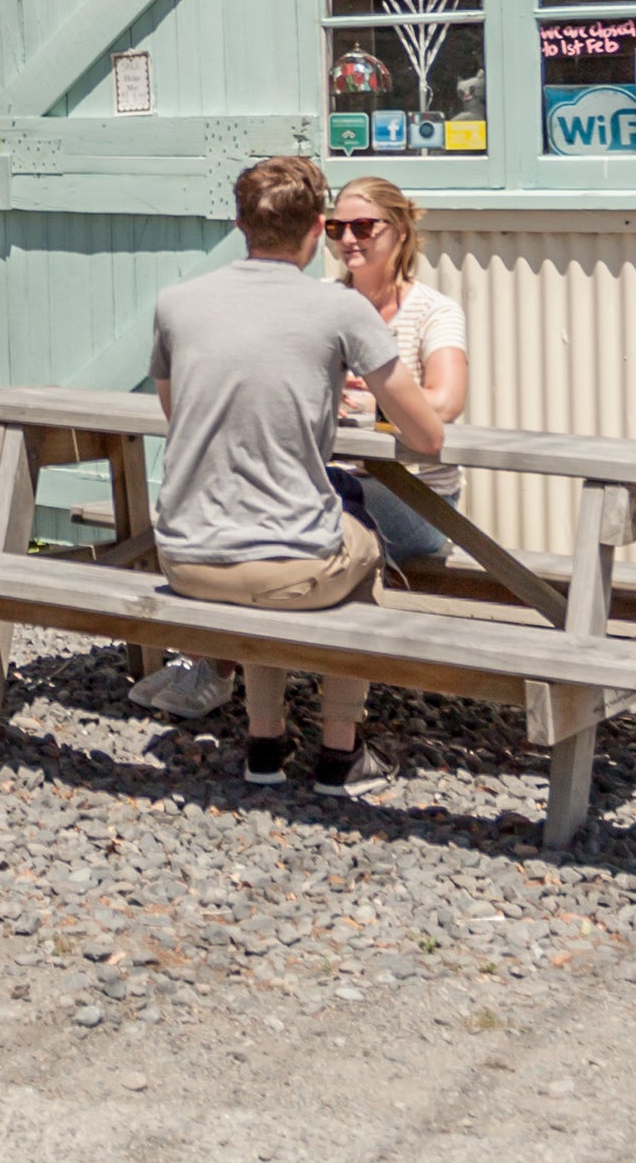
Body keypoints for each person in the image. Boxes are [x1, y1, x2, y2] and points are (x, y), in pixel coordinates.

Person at [150, 154, 448, 792]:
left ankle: (266, 743)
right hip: (288, 569)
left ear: (240, 224)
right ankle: (341, 753)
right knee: (356, 531)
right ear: (318, 229)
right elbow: (428, 435)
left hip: (183, 557)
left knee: (280, 526)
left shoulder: (176, 303)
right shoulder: (340, 311)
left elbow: (179, 414)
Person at [324, 176, 472, 568]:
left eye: (364, 226)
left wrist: (372, 396)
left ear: (400, 231)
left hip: (421, 501)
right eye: (337, 228)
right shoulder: (322, 302)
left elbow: (447, 402)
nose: (348, 239)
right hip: (337, 482)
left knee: (309, 505)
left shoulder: (433, 311)